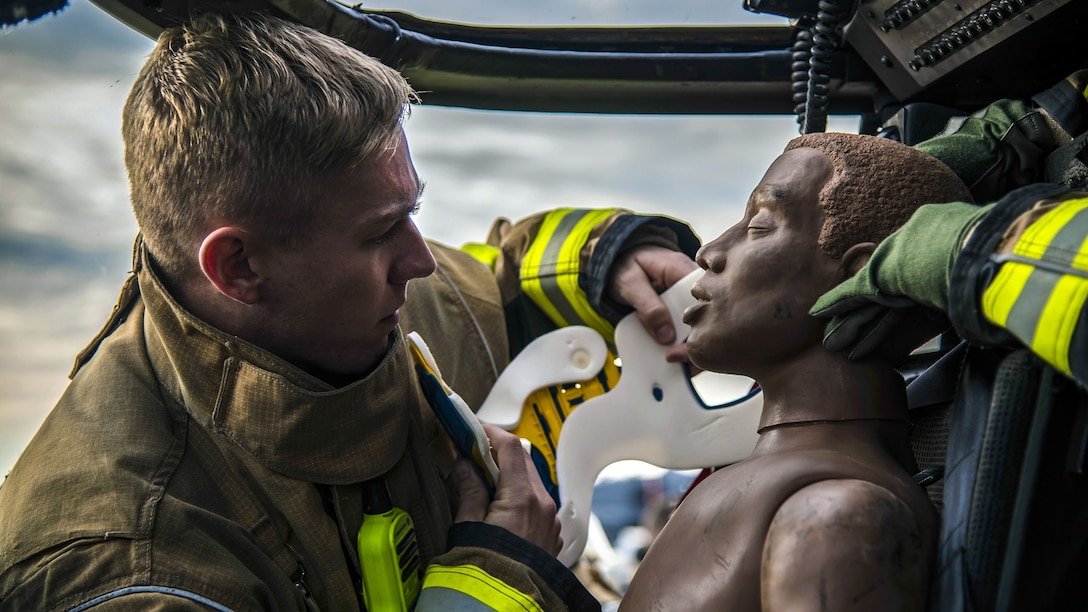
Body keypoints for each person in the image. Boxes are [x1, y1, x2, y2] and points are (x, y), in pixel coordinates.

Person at [0, 11, 699, 610]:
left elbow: (495, 280)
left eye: (412, 212)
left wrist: (607, 262)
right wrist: (496, 585)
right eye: (379, 232)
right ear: (239, 267)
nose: (422, 260)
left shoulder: (367, 298)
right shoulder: (128, 565)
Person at [621, 132, 975, 611]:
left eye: (760, 225)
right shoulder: (782, 488)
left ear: (862, 280)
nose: (711, 251)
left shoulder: (841, 513)